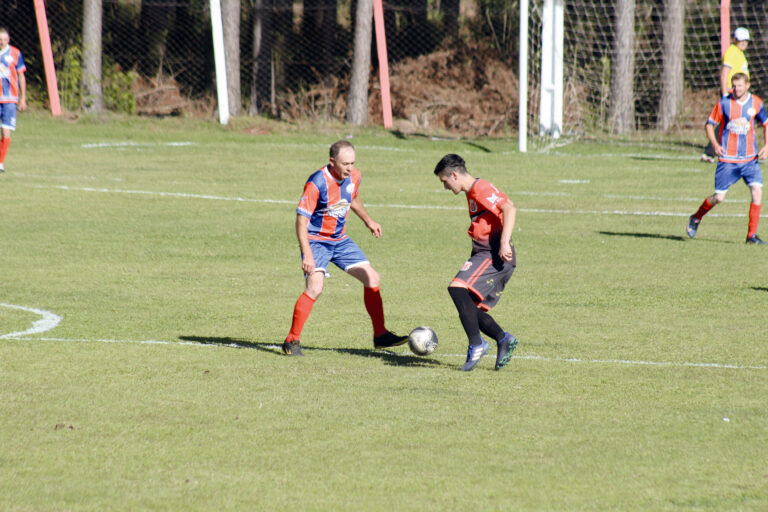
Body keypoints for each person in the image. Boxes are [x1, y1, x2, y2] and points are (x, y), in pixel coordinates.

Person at [282, 140, 408, 356]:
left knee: (372, 278)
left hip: (339, 240)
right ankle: (291, 340)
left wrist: (368, 220)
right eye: (345, 164)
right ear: (332, 162)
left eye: (352, 163)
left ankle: (380, 335)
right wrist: (308, 254)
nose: (350, 168)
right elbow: (301, 221)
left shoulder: (354, 176)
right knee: (315, 288)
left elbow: (353, 198)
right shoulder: (317, 182)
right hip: (316, 240)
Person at [433, 154, 518, 371]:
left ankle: (476, 344)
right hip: (483, 253)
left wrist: (505, 243)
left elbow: (509, 208)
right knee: (469, 307)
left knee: (456, 289)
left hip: (493, 254)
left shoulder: (481, 189)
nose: (444, 186)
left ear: (454, 174)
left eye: (444, 181)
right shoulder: (471, 192)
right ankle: (503, 338)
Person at [687, 73, 768, 244]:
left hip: (749, 159)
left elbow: (766, 123)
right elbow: (709, 125)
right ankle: (696, 217)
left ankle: (751, 236)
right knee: (719, 198)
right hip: (728, 160)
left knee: (757, 191)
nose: (736, 89)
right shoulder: (724, 103)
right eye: (734, 85)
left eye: (739, 85)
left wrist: (766, 145)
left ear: (747, 85)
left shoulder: (757, 103)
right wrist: (715, 145)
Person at [701, 27, 750, 163]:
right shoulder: (732, 52)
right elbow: (724, 74)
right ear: (735, 40)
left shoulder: (739, 53)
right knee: (728, 122)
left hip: (740, 93)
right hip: (731, 92)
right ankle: (711, 152)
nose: (744, 43)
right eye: (741, 41)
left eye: (746, 41)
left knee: (731, 123)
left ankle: (712, 152)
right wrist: (724, 94)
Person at [0, 27, 27, 173]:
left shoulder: (15, 53)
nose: (2, 42)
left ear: (8, 40)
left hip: (10, 99)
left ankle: (1, 162)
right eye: (0, 39)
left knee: (5, 131)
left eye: (4, 39)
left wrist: (23, 98)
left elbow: (21, 76)